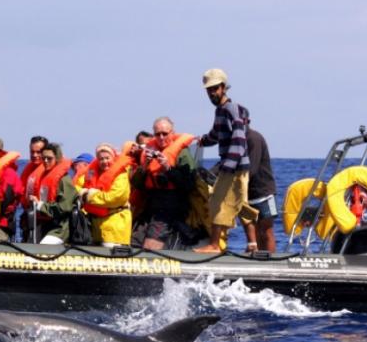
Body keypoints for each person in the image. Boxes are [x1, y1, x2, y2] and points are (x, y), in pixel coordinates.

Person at [195, 68, 259, 253]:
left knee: (218, 202)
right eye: (209, 90)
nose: (212, 93)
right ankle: (253, 245)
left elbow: (239, 139)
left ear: (223, 88)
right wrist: (203, 141)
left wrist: (228, 166)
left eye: (215, 88)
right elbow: (217, 134)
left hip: (234, 166)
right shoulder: (220, 111)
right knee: (240, 203)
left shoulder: (230, 109)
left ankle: (215, 245)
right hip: (236, 166)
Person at [130, 117, 198, 250]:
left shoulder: (182, 153)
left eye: (165, 134)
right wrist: (144, 166)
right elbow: (137, 184)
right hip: (151, 206)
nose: (161, 137)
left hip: (171, 206)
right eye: (157, 134)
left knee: (150, 246)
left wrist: (169, 168)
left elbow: (189, 184)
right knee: (134, 243)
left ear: (172, 133)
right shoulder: (149, 151)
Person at [81, 143, 133, 247]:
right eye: (101, 159)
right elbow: (79, 186)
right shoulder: (93, 173)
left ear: (113, 157)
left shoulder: (121, 175)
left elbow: (115, 198)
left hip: (115, 225)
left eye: (107, 158)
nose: (104, 162)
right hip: (96, 225)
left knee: (112, 259)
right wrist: (81, 193)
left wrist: (89, 196)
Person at [27, 143, 77, 244]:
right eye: (43, 158)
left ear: (57, 159)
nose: (45, 161)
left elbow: (64, 207)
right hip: (45, 223)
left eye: (49, 158)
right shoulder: (44, 177)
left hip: (60, 227)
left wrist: (40, 204)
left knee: (44, 247)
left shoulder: (64, 180)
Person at [244, 125, 277, 253]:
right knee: (256, 233)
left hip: (264, 193)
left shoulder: (253, 138)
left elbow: (252, 167)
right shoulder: (236, 141)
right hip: (248, 195)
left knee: (266, 231)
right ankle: (258, 260)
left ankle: (271, 263)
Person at [19, 135, 49, 242]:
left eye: (39, 152)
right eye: (32, 152)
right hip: (29, 217)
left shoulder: (49, 170)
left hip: (44, 220)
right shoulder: (28, 169)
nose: (35, 155)